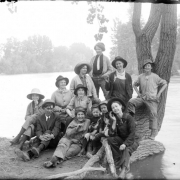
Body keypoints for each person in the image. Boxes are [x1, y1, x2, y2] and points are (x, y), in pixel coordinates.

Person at [127, 59, 167, 140]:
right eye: (145, 66)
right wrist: (138, 94)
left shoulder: (155, 76)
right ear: (144, 68)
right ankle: (132, 120)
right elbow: (134, 85)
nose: (147, 67)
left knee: (153, 114)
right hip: (142, 99)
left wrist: (159, 94)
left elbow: (165, 83)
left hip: (152, 100)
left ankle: (153, 133)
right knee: (131, 102)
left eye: (148, 66)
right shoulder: (140, 76)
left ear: (151, 67)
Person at [107, 97, 139, 179]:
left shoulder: (128, 117)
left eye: (116, 106)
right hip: (121, 140)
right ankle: (117, 159)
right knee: (110, 139)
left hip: (132, 140)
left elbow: (132, 133)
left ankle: (124, 170)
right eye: (113, 108)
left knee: (127, 149)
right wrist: (114, 121)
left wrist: (125, 144)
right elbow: (111, 134)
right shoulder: (114, 119)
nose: (115, 109)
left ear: (121, 106)